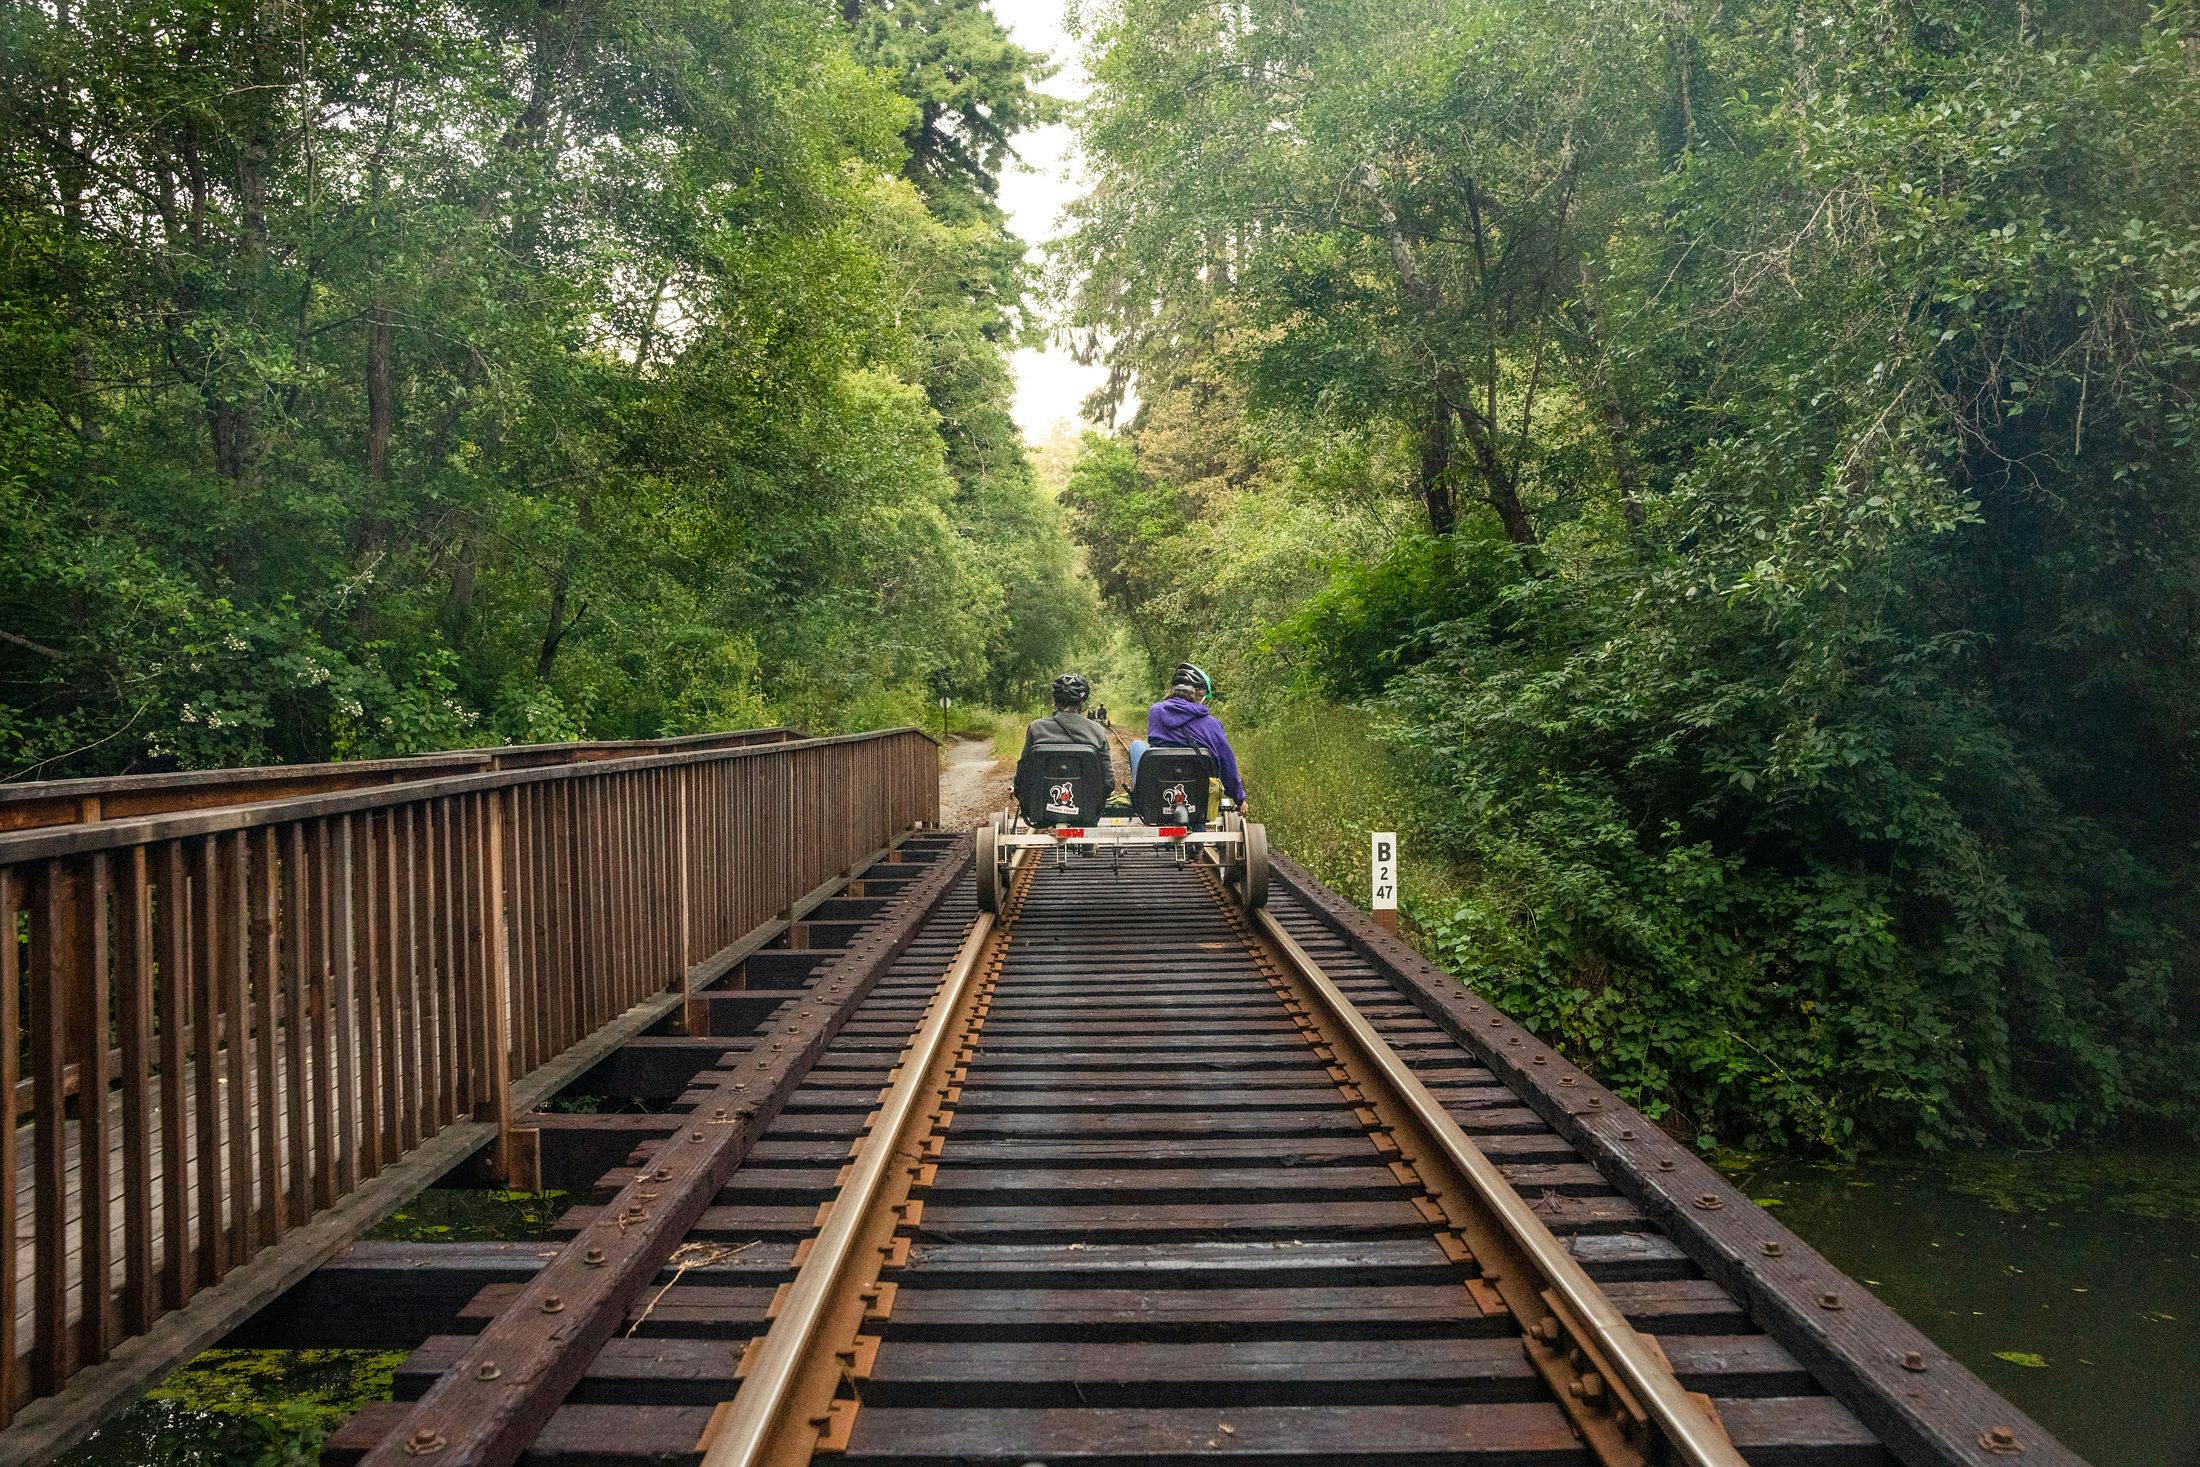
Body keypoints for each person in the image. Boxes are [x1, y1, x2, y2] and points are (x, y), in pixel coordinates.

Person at [1131, 662, 1246, 807]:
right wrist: (1239, 799)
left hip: (1159, 792)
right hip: (1199, 799)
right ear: (1200, 694)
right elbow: (1227, 763)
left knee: (1137, 745)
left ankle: (1139, 795)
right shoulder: (1212, 724)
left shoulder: (1155, 712)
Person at [1022, 672, 1109, 757]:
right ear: (1081, 702)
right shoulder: (1098, 730)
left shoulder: (1036, 727)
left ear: (1055, 700)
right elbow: (1106, 771)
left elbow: (1023, 768)